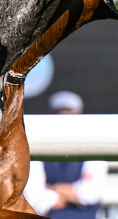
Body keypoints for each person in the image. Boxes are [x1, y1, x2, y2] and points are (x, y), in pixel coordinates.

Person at [24, 91, 108, 219]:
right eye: (59, 115)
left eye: (71, 115)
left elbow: (91, 192)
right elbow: (34, 199)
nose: (65, 120)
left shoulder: (93, 145)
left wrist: (51, 188)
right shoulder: (34, 145)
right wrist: (73, 194)